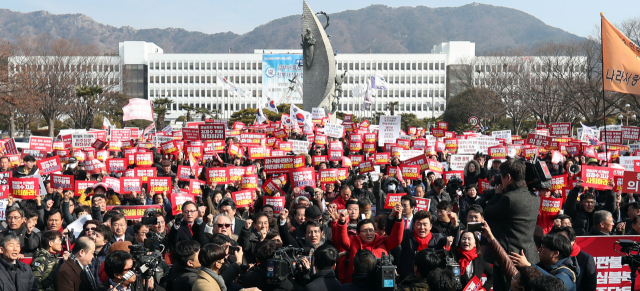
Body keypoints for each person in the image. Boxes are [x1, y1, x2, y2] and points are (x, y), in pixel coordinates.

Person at [484, 159, 540, 291]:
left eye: (502, 178)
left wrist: (497, 195)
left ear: (508, 177)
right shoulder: (534, 196)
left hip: (507, 259)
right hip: (528, 256)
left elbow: (488, 213)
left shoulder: (508, 198)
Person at [330, 203, 404, 283]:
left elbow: (397, 239)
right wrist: (342, 221)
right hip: (356, 282)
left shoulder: (383, 241)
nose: (368, 233)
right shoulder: (353, 241)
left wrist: (398, 219)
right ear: (358, 233)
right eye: (365, 231)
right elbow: (341, 239)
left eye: (371, 230)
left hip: (378, 283)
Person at [510, 233, 580, 291]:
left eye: (543, 247)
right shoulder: (543, 266)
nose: (539, 249)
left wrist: (529, 266)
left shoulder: (567, 272)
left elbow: (558, 286)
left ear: (555, 254)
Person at [397, 210, 452, 282]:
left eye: (425, 224)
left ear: (430, 226)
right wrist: (397, 218)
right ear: (414, 225)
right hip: (408, 280)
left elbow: (455, 243)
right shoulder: (407, 235)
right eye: (419, 224)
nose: (422, 227)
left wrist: (454, 225)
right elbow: (395, 237)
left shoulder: (438, 238)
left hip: (431, 281)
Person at [550, 227, 596, 291]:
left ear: (573, 240)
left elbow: (591, 285)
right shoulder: (552, 255)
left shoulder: (586, 258)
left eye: (563, 239)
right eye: (557, 238)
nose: (559, 241)